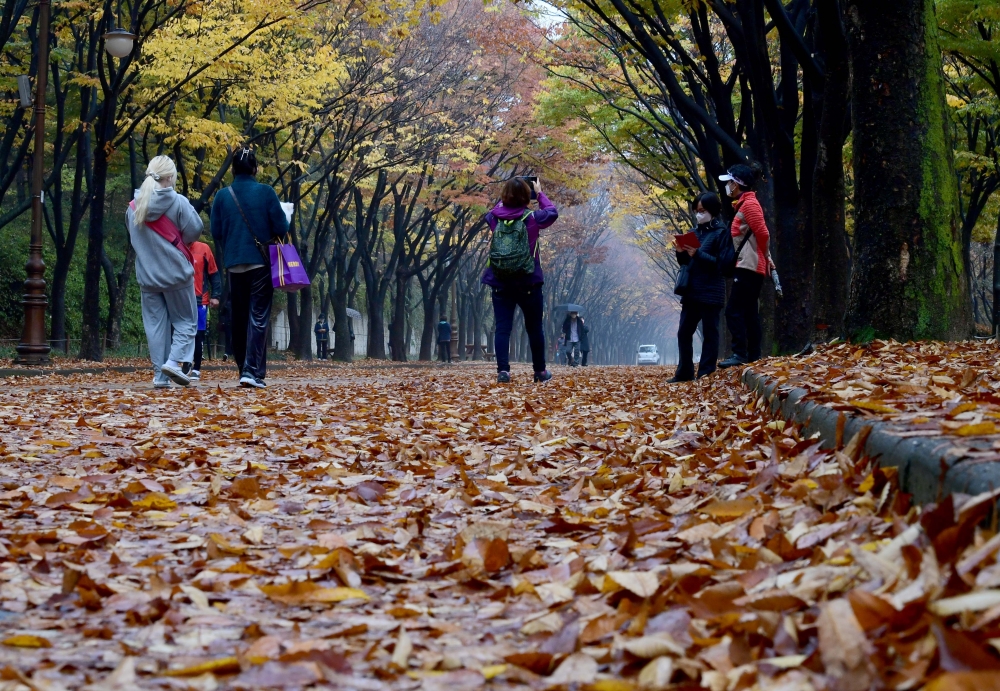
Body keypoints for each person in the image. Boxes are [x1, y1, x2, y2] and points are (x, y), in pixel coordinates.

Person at [211, 146, 289, 388]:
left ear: (233, 169)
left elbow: (215, 231)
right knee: (258, 316)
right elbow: (281, 227)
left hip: (234, 263)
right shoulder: (266, 193)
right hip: (260, 263)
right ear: (255, 168)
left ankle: (245, 369)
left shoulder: (223, 196)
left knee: (239, 317)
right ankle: (252, 371)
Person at [126, 155, 203, 388]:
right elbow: (195, 230)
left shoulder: (132, 208)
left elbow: (134, 240)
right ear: (170, 177)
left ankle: (160, 377)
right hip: (176, 275)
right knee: (187, 322)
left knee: (155, 327)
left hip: (148, 277)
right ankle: (172, 362)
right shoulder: (178, 202)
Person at [482, 177, 558, 384]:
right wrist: (540, 193)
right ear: (527, 197)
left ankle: (503, 371)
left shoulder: (493, 217)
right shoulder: (533, 218)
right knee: (534, 328)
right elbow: (552, 212)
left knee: (502, 328)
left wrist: (505, 199)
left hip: (500, 282)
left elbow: (495, 210)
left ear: (504, 196)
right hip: (528, 282)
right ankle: (540, 372)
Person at [670, 192, 731, 382]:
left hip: (712, 291)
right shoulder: (693, 232)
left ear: (712, 210)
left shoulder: (721, 233)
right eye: (696, 211)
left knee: (710, 333)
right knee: (683, 332)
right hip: (691, 291)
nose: (698, 214)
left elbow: (720, 264)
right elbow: (686, 263)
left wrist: (697, 254)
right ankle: (684, 372)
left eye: (702, 211)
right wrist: (681, 252)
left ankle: (705, 372)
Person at [718, 163, 773, 368]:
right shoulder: (745, 204)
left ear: (737, 184)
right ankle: (753, 355)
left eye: (729, 182)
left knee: (733, 310)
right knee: (749, 311)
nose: (728, 186)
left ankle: (740, 353)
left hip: (748, 266)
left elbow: (763, 233)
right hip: (750, 264)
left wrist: (766, 256)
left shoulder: (749, 205)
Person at [190, 240, 222, 381]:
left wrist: (216, 296)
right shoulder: (175, 245)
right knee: (181, 333)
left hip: (200, 300)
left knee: (198, 335)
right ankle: (184, 364)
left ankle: (196, 367)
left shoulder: (204, 248)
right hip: (180, 299)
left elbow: (214, 273)